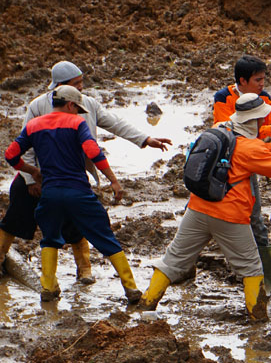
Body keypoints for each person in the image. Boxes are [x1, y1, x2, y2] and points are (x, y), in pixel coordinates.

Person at [139, 93, 271, 320]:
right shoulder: (250, 150)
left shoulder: (220, 128)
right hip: (229, 216)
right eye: (260, 120)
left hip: (197, 208)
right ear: (252, 121)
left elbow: (245, 149)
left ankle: (146, 305)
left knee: (173, 260)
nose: (263, 124)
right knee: (252, 268)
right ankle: (257, 320)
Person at [0, 60, 170, 282]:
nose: (81, 87)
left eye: (81, 82)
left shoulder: (87, 104)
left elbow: (116, 123)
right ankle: (2, 255)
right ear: (60, 87)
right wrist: (31, 177)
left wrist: (146, 139)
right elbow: (25, 147)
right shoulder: (38, 106)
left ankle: (83, 270)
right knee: (16, 217)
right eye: (76, 83)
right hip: (40, 175)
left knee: (74, 224)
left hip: (71, 174)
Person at [4, 85, 142, 303]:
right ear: (70, 105)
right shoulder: (77, 123)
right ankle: (131, 288)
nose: (79, 113)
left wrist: (32, 171)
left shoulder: (33, 126)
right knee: (105, 237)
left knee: (49, 239)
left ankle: (48, 288)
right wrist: (113, 180)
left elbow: (10, 154)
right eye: (77, 108)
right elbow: (92, 150)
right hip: (78, 192)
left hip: (49, 194)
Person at [213, 54, 271, 295]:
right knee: (208, 216)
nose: (262, 84)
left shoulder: (265, 98)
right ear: (242, 81)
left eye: (263, 79)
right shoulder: (224, 98)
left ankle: (265, 283)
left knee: (255, 219)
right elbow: (226, 129)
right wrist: (269, 130)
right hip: (226, 164)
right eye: (258, 80)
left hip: (250, 159)